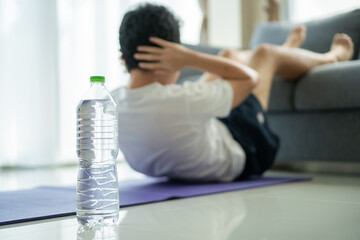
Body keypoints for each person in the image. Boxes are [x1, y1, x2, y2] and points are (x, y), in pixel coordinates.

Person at [114, 4, 354, 182]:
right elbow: (251, 80)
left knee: (228, 58)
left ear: (124, 61)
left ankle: (287, 52)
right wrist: (189, 57)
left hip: (199, 136)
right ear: (172, 56)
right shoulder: (181, 101)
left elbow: (173, 103)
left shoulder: (111, 102)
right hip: (245, 148)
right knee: (264, 55)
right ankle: (329, 57)